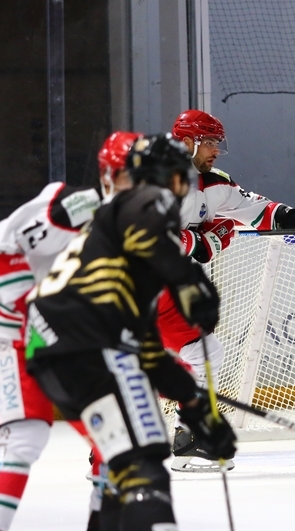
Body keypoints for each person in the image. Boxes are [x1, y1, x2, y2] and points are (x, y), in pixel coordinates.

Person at [24, 133, 236, 531]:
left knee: (122, 466)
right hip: (78, 345)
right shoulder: (133, 213)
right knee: (142, 468)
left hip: (54, 345)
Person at [157, 109, 295, 472]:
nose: (215, 151)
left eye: (216, 143)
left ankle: (116, 450)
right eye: (208, 142)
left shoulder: (213, 182)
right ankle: (187, 435)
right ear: (187, 141)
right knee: (200, 353)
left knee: (183, 357)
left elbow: (258, 210)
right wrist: (204, 241)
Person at [0, 131, 140, 531]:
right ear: (109, 176)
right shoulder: (76, 207)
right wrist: (30, 307)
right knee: (24, 436)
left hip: (58, 344)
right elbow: (0, 247)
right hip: (10, 333)